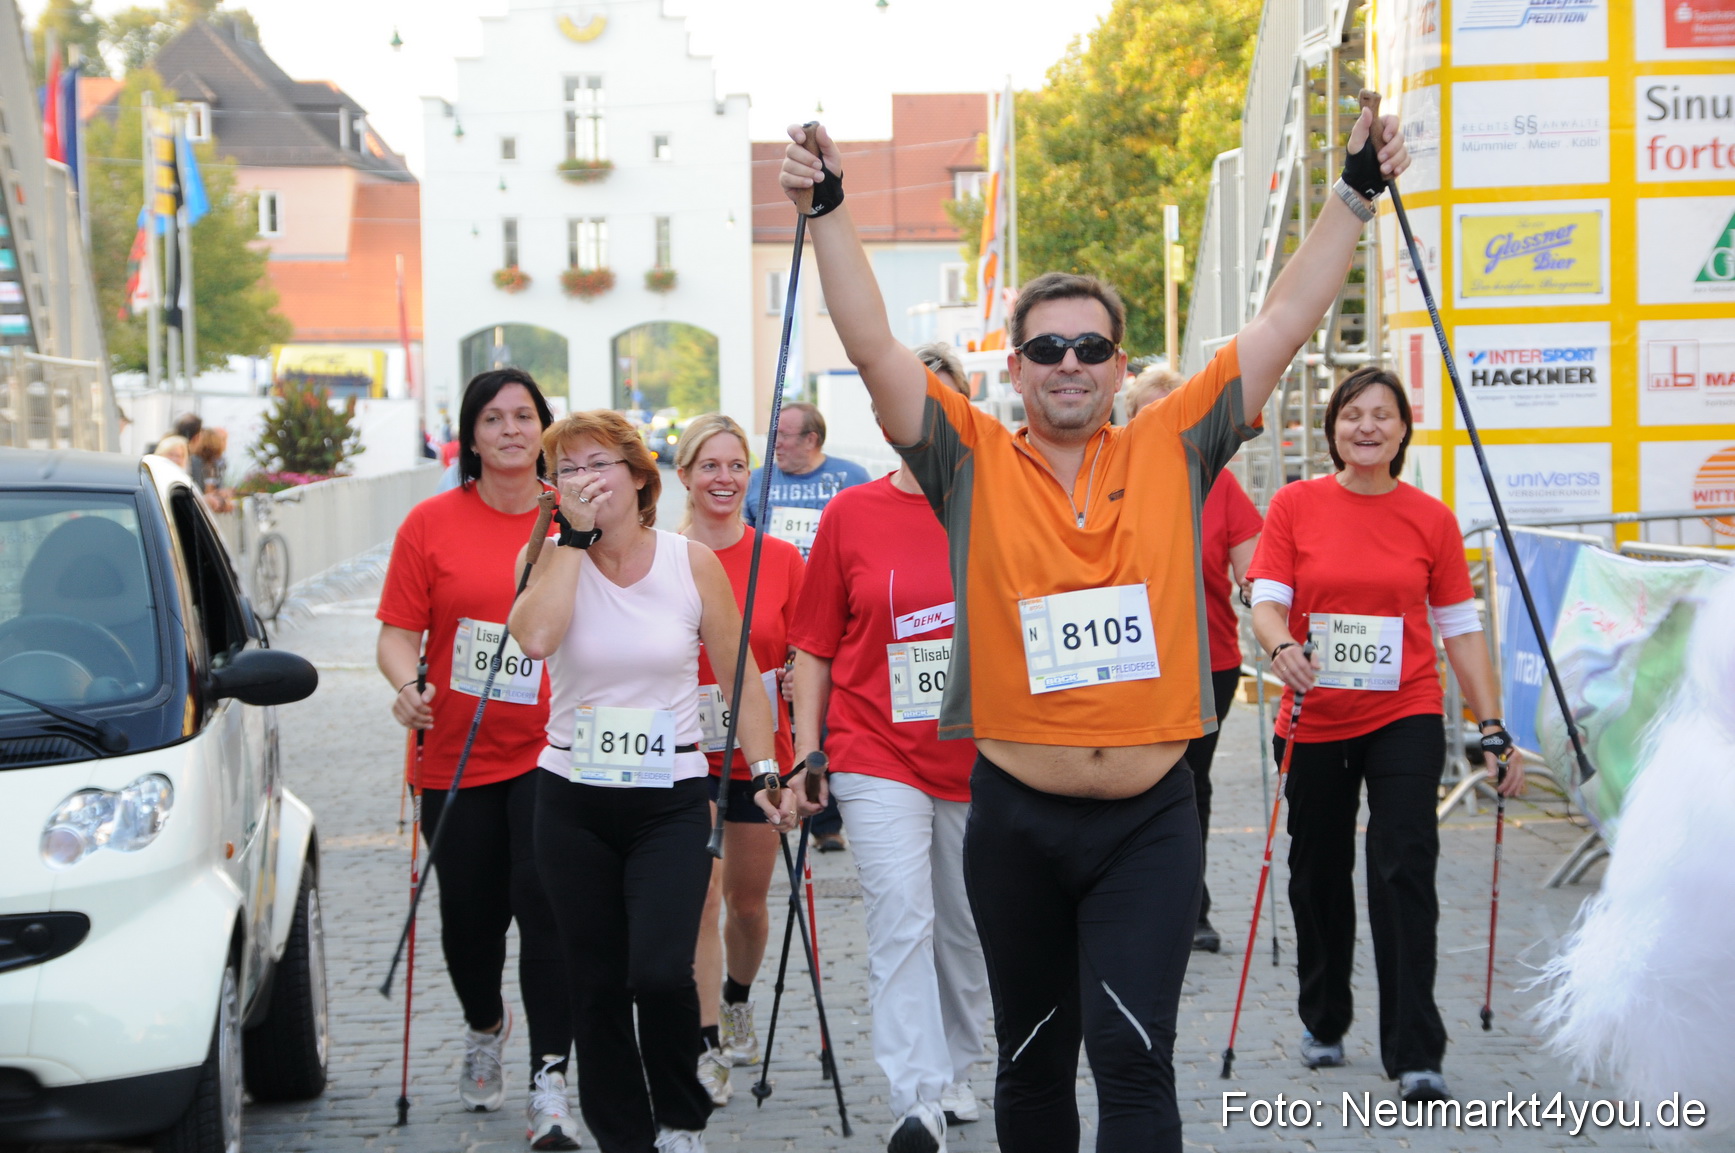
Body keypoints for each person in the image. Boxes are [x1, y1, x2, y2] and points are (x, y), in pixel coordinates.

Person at [778, 107, 1410, 1152]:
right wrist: (831, 209)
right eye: (1044, 348)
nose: (1067, 362)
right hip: (1015, 819)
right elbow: (871, 342)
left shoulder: (1175, 440)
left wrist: (1350, 191)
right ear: (1014, 367)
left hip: (1146, 820)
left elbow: (1287, 316)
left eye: (1089, 346)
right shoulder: (967, 456)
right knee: (1030, 1067)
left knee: (1129, 1058)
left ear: (1119, 365)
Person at [509, 410, 789, 1153]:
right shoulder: (546, 557)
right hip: (570, 797)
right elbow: (534, 639)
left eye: (597, 464)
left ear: (639, 476)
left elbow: (740, 674)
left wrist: (766, 770)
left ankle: (678, 1117)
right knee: (596, 983)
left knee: (661, 969)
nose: (583, 480)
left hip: (668, 796)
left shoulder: (688, 562)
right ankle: (625, 1137)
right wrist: (567, 540)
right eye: (566, 470)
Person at [1248, 367, 1525, 1104]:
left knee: (1402, 866)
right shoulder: (1294, 505)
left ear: (1403, 430)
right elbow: (1266, 601)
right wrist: (1280, 648)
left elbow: (1460, 632)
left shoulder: (1428, 518)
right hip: (1314, 712)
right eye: (1352, 415)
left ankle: (1414, 1048)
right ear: (1332, 426)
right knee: (1317, 872)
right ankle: (1324, 1016)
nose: (1365, 427)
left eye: (1382, 415)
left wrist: (1490, 725)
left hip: (1403, 707)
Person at [789, 342, 989, 1153]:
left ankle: (957, 1059)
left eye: (940, 401)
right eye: (907, 399)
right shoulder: (851, 515)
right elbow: (812, 643)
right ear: (883, 412)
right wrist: (808, 751)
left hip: (983, 757)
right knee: (901, 917)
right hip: (875, 749)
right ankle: (917, 1096)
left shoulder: (998, 503)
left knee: (965, 925)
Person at [375, 368, 580, 1151]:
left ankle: (549, 1078)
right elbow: (397, 631)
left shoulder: (570, 521)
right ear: (470, 434)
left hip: (551, 752)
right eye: (492, 418)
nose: (510, 430)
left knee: (547, 908)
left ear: (544, 428)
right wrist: (408, 683)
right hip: (455, 756)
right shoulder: (430, 524)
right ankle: (483, 1021)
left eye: (524, 416)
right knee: (470, 922)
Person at [673, 413, 806, 1106]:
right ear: (683, 475)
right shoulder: (660, 554)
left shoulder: (780, 560)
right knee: (697, 900)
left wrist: (790, 679)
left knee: (747, 906)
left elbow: (804, 651)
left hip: (759, 755)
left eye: (735, 465)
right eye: (709, 465)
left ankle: (735, 997)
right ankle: (703, 1047)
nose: (722, 478)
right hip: (681, 752)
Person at [1126, 365, 1264, 953]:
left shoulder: (1221, 486)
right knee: (1132, 783)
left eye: (1176, 414)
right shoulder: (1105, 478)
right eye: (1151, 415)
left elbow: (1256, 570)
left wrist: (1265, 592)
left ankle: (1191, 906)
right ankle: (1129, 898)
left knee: (1188, 780)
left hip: (1207, 661)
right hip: (1128, 662)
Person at [740, 402, 868, 852]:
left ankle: (825, 820)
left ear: (811, 440)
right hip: (777, 612)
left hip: (834, 614)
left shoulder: (850, 478)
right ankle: (780, 799)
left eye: (784, 437)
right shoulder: (759, 482)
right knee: (784, 711)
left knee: (823, 709)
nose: (774, 447)